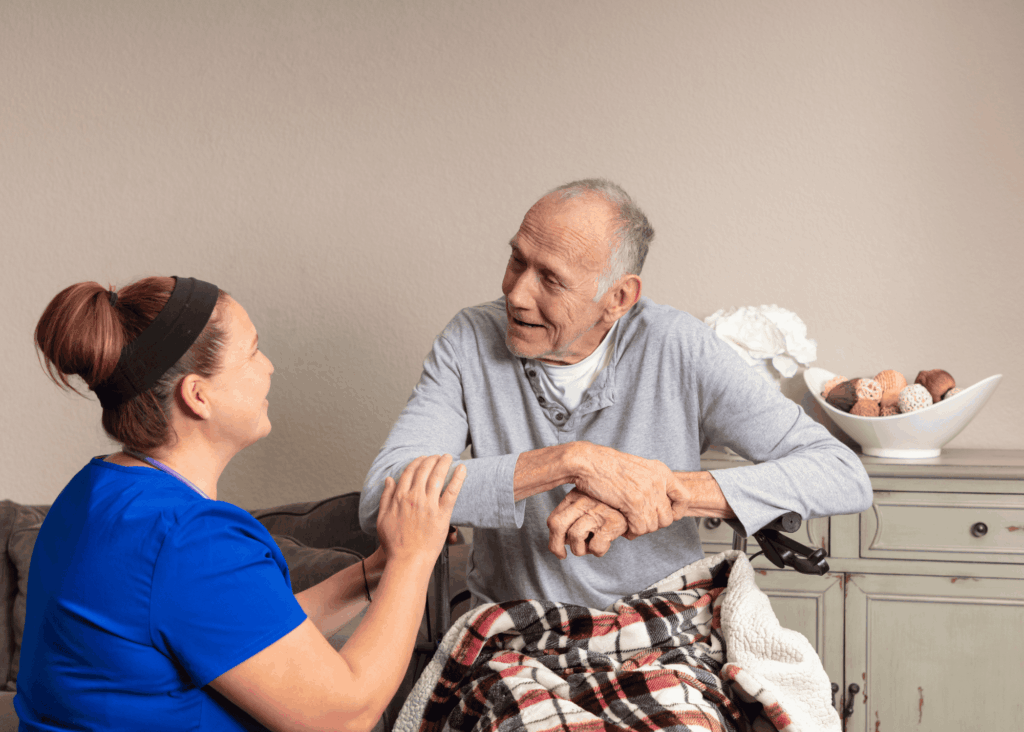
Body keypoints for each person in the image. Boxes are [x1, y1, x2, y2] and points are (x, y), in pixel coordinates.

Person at [359, 179, 873, 610]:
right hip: (512, 632)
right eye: (517, 260)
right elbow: (383, 494)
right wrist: (572, 462)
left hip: (663, 624)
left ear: (619, 297)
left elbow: (840, 473)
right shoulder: (469, 339)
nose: (516, 293)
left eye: (550, 280)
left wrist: (668, 491)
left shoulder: (678, 345)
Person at [18, 276, 464, 732]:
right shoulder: (188, 538)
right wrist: (414, 558)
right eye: (252, 352)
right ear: (198, 395)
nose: (268, 366)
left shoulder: (95, 492)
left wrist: (378, 569)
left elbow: (251, 637)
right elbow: (344, 718)